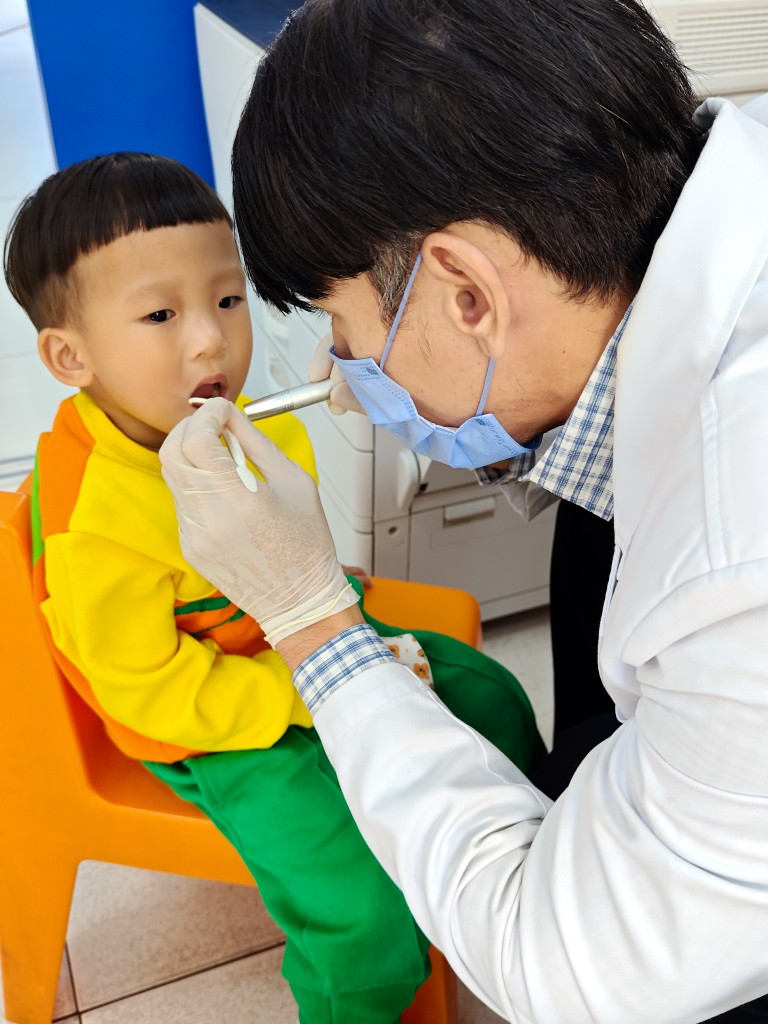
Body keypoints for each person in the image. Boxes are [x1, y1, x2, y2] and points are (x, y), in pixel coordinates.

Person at [157, 0, 768, 1022]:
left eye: (344, 323)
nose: (340, 362)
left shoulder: (737, 568)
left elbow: (570, 970)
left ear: (468, 294)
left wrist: (312, 624)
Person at [3, 151, 545, 1024]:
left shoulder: (242, 422)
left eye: (227, 299)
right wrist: (311, 691)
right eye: (160, 314)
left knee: (497, 699)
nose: (211, 340)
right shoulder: (93, 521)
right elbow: (149, 694)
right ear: (70, 356)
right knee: (358, 916)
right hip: (213, 721)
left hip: (293, 642)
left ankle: (516, 894)